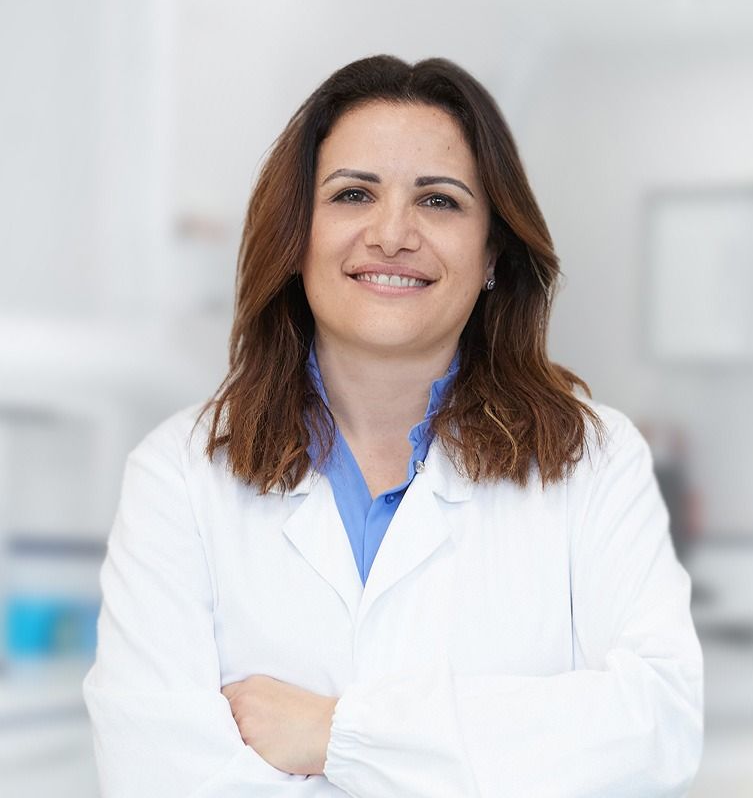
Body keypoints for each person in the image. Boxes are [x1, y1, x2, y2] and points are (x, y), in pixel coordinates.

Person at [83, 55, 703, 797]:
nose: (392, 233)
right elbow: (154, 774)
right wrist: (499, 752)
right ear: (297, 236)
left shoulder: (594, 459)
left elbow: (657, 727)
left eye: (439, 201)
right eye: (353, 194)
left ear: (492, 252)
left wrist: (336, 736)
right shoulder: (179, 474)